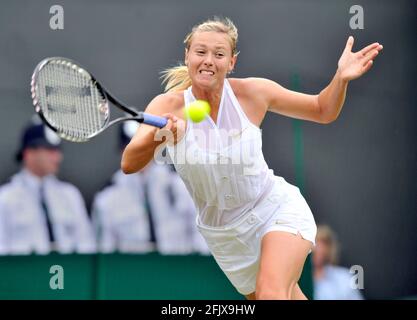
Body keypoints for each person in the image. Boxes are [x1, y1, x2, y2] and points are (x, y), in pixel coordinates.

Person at [121, 17, 382, 299]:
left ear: (232, 62)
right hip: (226, 237)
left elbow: (322, 109)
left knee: (272, 293)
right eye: (200, 52)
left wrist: (340, 79)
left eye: (219, 54)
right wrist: (158, 134)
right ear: (187, 56)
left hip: (273, 209)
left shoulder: (253, 93)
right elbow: (129, 163)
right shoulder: (165, 106)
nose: (209, 60)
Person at [92, 122, 209, 255]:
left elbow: (201, 237)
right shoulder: (107, 199)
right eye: (131, 147)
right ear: (121, 151)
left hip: (180, 269)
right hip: (133, 272)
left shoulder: (181, 185)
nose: (139, 152)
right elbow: (104, 253)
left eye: (144, 144)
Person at [0, 118, 96, 255]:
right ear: (28, 153)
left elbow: (87, 245)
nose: (57, 157)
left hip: (66, 273)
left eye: (57, 151)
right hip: (26, 274)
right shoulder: (6, 198)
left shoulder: (70, 195)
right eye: (49, 150)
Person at [313, 225, 364, 300]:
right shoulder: (298, 281)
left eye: (323, 246)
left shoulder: (344, 278)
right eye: (316, 245)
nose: (319, 250)